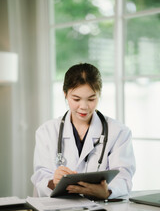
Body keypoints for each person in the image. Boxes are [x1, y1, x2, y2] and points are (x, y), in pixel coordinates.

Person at [31, 63, 135, 199]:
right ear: (65, 94)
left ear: (99, 95)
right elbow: (40, 177)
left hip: (102, 210)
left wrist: (108, 191)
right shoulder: (47, 131)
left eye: (91, 99)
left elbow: (124, 176)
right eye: (76, 99)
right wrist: (54, 182)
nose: (84, 107)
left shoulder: (119, 132)